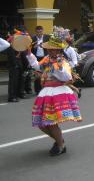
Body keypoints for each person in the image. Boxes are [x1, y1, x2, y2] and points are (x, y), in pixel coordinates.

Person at [26, 27, 82, 156]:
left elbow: (66, 77)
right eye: (49, 48)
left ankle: (60, 145)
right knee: (41, 124)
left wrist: (58, 66)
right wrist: (29, 54)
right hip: (46, 92)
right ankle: (60, 141)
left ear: (59, 49)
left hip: (58, 93)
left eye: (53, 49)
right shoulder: (46, 59)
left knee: (51, 123)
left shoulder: (62, 61)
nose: (50, 51)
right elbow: (37, 66)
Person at [6, 30, 29, 102]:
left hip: (21, 65)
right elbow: (11, 56)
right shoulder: (11, 44)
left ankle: (20, 93)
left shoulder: (21, 44)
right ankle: (12, 96)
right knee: (13, 81)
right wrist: (15, 64)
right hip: (14, 66)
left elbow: (24, 55)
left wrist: (27, 64)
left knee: (21, 80)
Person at [31, 26, 50, 94]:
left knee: (46, 73)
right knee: (37, 74)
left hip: (45, 57)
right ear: (36, 32)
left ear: (43, 31)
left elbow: (50, 45)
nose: (39, 33)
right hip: (37, 58)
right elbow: (29, 48)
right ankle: (37, 90)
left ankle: (45, 89)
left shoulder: (47, 37)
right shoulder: (33, 38)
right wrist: (33, 47)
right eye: (38, 32)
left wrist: (44, 45)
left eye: (40, 32)